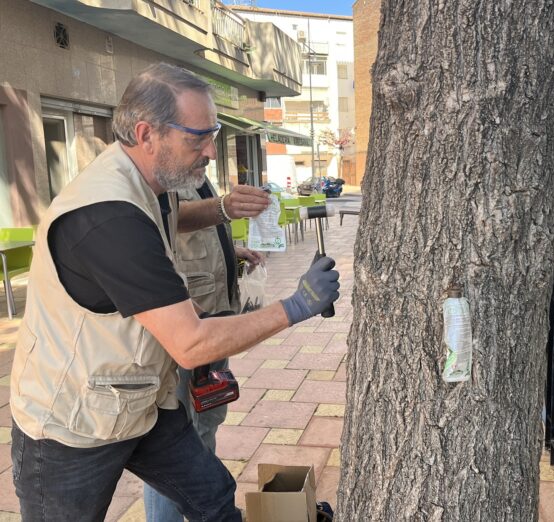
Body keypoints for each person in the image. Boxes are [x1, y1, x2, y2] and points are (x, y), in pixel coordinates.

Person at [10, 62, 339, 522]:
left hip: (138, 397)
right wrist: (297, 305)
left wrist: (222, 208)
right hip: (73, 423)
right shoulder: (108, 217)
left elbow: (171, 220)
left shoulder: (151, 181)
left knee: (210, 496)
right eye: (197, 138)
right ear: (147, 134)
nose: (209, 151)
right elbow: (191, 343)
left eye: (214, 134)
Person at [142, 176, 264, 521]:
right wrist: (223, 207)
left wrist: (230, 252)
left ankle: (199, 507)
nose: (210, 149)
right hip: (186, 325)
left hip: (213, 318)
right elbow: (166, 219)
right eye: (202, 136)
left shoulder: (190, 169)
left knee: (207, 416)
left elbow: (194, 237)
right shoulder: (154, 173)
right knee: (174, 443)